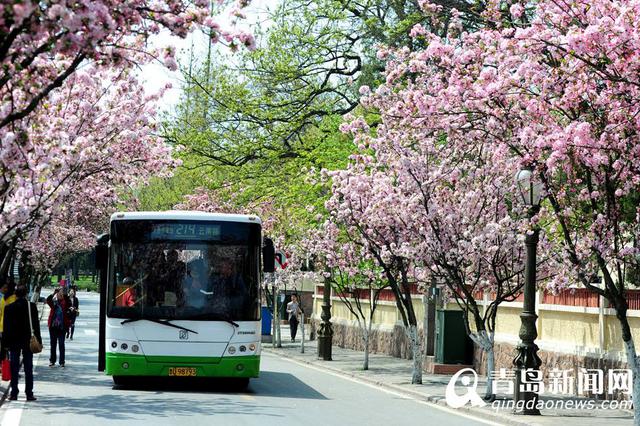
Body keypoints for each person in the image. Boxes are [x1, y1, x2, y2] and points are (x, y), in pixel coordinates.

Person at [3, 285, 41, 401]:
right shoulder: (31, 307)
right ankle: (29, 393)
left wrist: (5, 344)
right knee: (28, 367)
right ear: (26, 294)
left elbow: (6, 328)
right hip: (28, 341)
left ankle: (14, 393)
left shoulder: (9, 308)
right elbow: (36, 326)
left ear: (16, 294)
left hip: (14, 342)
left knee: (14, 367)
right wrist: (39, 340)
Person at [46, 288, 71, 368]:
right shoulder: (54, 302)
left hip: (62, 327)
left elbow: (69, 302)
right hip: (53, 327)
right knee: (53, 344)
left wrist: (64, 293)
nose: (60, 295)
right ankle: (52, 361)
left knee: (61, 344)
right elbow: (48, 300)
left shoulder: (65, 302)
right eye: (59, 293)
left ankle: (62, 361)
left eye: (61, 294)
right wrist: (54, 293)